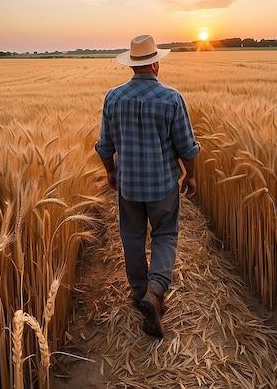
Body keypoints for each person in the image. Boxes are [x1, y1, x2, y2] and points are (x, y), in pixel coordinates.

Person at [95, 34, 200, 339]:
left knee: (132, 236)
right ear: (155, 62)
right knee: (165, 234)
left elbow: (104, 146)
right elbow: (187, 148)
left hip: (129, 185)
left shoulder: (113, 97)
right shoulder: (171, 98)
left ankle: (139, 290)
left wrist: (112, 174)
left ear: (132, 64)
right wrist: (190, 175)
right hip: (163, 184)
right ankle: (156, 291)